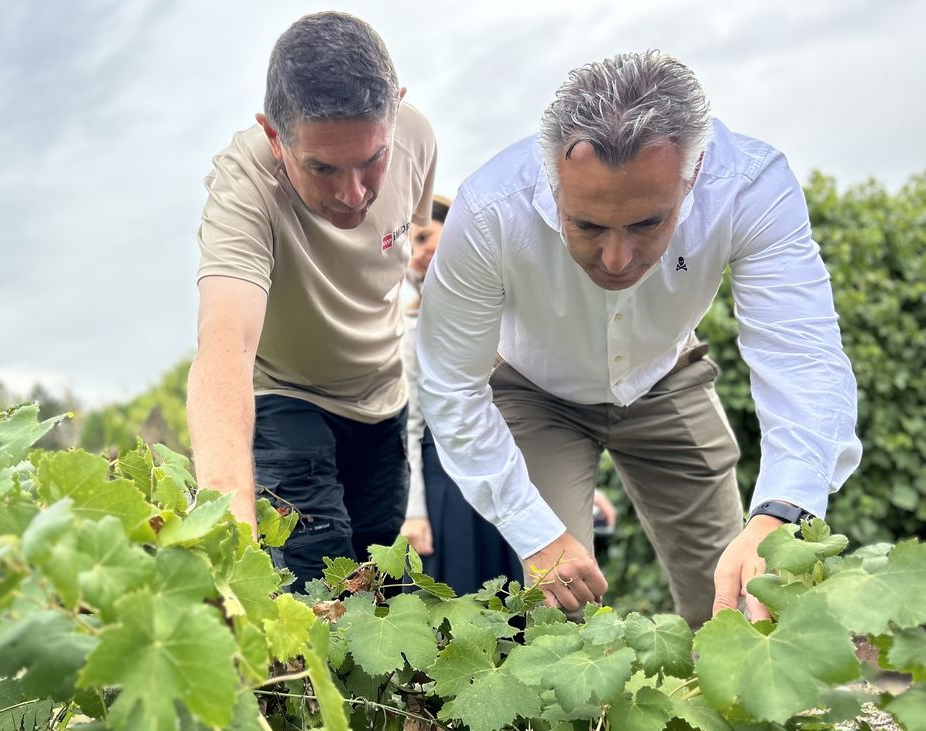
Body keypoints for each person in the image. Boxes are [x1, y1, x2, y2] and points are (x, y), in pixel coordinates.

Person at [415, 50, 861, 627]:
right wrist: (535, 533)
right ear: (551, 178)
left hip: (665, 375)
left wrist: (781, 512)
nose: (617, 259)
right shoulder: (488, 209)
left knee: (740, 600)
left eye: (649, 223)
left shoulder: (750, 184)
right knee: (558, 614)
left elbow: (802, 352)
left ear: (693, 174)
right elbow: (451, 384)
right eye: (588, 226)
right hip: (533, 390)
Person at [188, 11, 437, 590]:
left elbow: (411, 253)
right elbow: (226, 344)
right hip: (287, 395)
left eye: (373, 159)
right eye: (322, 167)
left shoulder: (419, 138)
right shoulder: (243, 185)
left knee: (377, 583)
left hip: (382, 397)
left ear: (395, 112)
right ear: (276, 137)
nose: (353, 195)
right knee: (314, 577)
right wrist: (230, 520)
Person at [399, 201, 615, 594]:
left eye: (425, 237)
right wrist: (414, 511)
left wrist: (586, 489)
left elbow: (548, 412)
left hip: (520, 468)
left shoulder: (505, 310)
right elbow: (411, 421)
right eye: (410, 248)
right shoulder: (412, 324)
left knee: (532, 600)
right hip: (447, 482)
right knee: (463, 605)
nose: (419, 253)